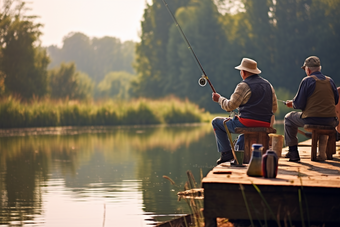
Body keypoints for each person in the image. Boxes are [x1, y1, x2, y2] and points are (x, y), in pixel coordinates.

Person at [211, 58, 278, 164]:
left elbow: (229, 106)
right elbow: (274, 108)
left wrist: (219, 99)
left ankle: (226, 153)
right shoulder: (268, 85)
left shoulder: (243, 85)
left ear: (244, 72)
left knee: (216, 122)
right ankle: (241, 154)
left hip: (246, 123)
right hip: (266, 123)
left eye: (241, 71)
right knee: (242, 136)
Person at [284, 56, 339, 162]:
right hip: (331, 121)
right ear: (319, 68)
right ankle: (322, 153)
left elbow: (299, 104)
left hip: (312, 120)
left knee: (288, 118)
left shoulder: (307, 80)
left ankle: (293, 152)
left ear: (308, 69)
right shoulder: (330, 81)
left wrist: (292, 104)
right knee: (323, 120)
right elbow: (335, 101)